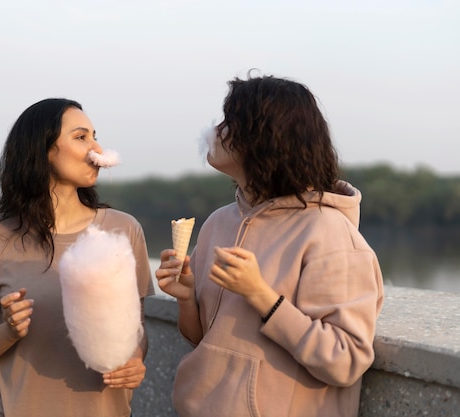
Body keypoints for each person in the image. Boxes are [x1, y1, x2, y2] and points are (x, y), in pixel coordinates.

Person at [155, 72, 384, 417]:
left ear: (263, 138)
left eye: (229, 121)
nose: (215, 131)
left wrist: (261, 295)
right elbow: (202, 339)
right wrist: (187, 298)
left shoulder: (329, 231)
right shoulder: (219, 222)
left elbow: (345, 360)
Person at [0, 98, 154, 417]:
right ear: (43, 149)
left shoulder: (123, 229)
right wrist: (7, 331)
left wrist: (135, 360)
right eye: (81, 137)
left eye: (94, 136)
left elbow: (138, 330)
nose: (97, 149)